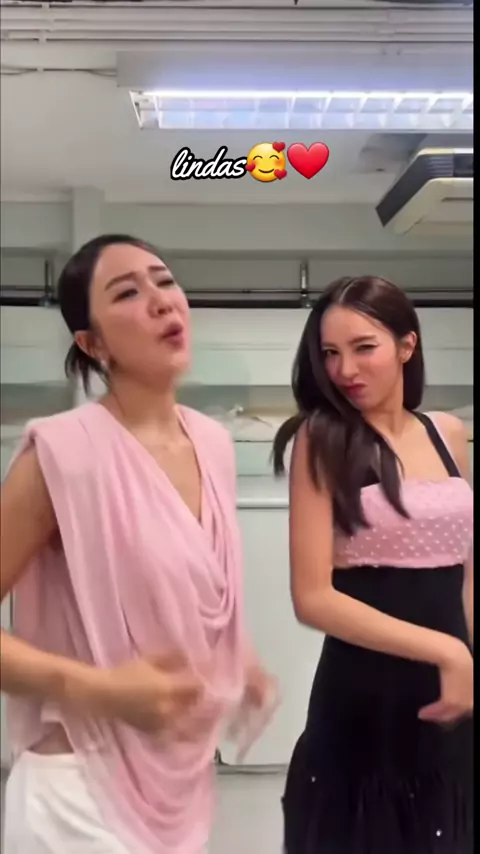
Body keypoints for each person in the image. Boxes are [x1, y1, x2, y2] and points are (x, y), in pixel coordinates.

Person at [0, 234, 276, 854]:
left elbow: (187, 584)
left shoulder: (213, 443)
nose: (161, 301)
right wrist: (97, 688)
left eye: (165, 281)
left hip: (181, 785)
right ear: (92, 344)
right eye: (127, 293)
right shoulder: (61, 453)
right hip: (77, 797)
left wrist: (241, 662)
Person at [273, 276, 473, 854]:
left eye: (364, 348)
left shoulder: (447, 433)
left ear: (407, 345)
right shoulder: (322, 439)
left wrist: (467, 657)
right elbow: (313, 597)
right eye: (330, 353)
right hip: (365, 694)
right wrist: (447, 651)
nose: (345, 370)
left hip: (454, 694)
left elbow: (466, 570)